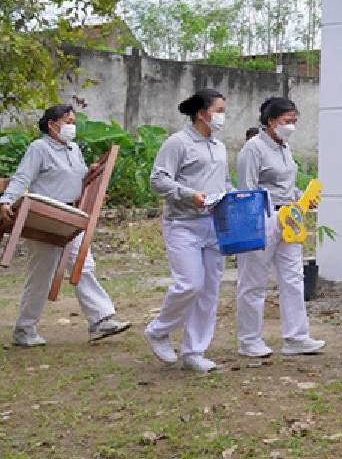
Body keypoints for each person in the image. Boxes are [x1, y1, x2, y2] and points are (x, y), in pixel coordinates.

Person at [0, 105, 131, 347]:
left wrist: (90, 174)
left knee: (85, 265)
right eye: (68, 121)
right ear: (52, 124)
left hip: (72, 215)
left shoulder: (74, 149)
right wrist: (6, 200)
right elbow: (22, 177)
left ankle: (100, 320)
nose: (73, 126)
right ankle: (24, 330)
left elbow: (77, 179)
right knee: (41, 275)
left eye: (73, 121)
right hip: (46, 217)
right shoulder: (39, 148)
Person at [143, 88, 231, 373]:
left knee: (208, 291)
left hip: (214, 225)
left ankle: (194, 351)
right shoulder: (177, 143)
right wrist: (188, 194)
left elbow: (224, 181)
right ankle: (158, 330)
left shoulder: (219, 146)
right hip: (182, 223)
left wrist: (235, 196)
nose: (222, 116)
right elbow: (158, 180)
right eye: (219, 110)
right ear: (203, 113)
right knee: (189, 284)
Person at [234, 97, 325, 358]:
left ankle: (296, 337)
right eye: (287, 121)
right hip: (262, 217)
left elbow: (285, 186)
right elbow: (247, 190)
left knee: (293, 277)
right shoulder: (253, 149)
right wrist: (253, 225)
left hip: (289, 217)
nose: (292, 126)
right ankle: (249, 339)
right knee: (254, 280)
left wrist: (302, 197)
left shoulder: (284, 147)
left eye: (295, 121)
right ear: (271, 121)